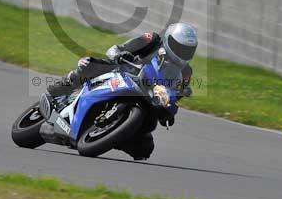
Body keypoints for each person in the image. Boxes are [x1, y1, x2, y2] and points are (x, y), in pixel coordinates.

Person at [45, 23, 198, 160]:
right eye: (180, 47)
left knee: (145, 149)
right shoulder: (153, 40)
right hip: (125, 73)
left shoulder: (186, 72)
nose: (182, 52)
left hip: (148, 99)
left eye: (187, 50)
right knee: (89, 65)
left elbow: (176, 95)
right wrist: (120, 53)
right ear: (169, 40)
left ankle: (111, 136)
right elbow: (124, 47)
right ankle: (59, 89)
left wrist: (168, 109)